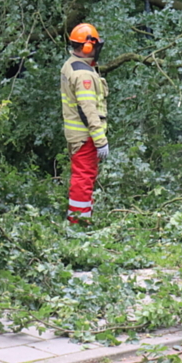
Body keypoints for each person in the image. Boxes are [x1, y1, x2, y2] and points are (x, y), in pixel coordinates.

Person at [60, 23, 109, 224]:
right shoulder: (83, 75)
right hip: (85, 136)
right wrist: (100, 140)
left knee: (82, 178)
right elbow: (88, 110)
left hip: (76, 135)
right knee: (83, 179)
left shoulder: (71, 64)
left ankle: (79, 218)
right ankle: (78, 224)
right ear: (88, 47)